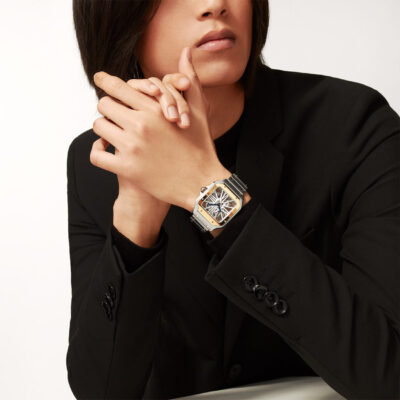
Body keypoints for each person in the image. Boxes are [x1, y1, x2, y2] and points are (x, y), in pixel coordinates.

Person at [66, 1, 400, 399]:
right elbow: (102, 391)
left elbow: (389, 373)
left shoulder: (353, 125)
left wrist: (208, 190)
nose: (215, 5)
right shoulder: (97, 160)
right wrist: (137, 217)